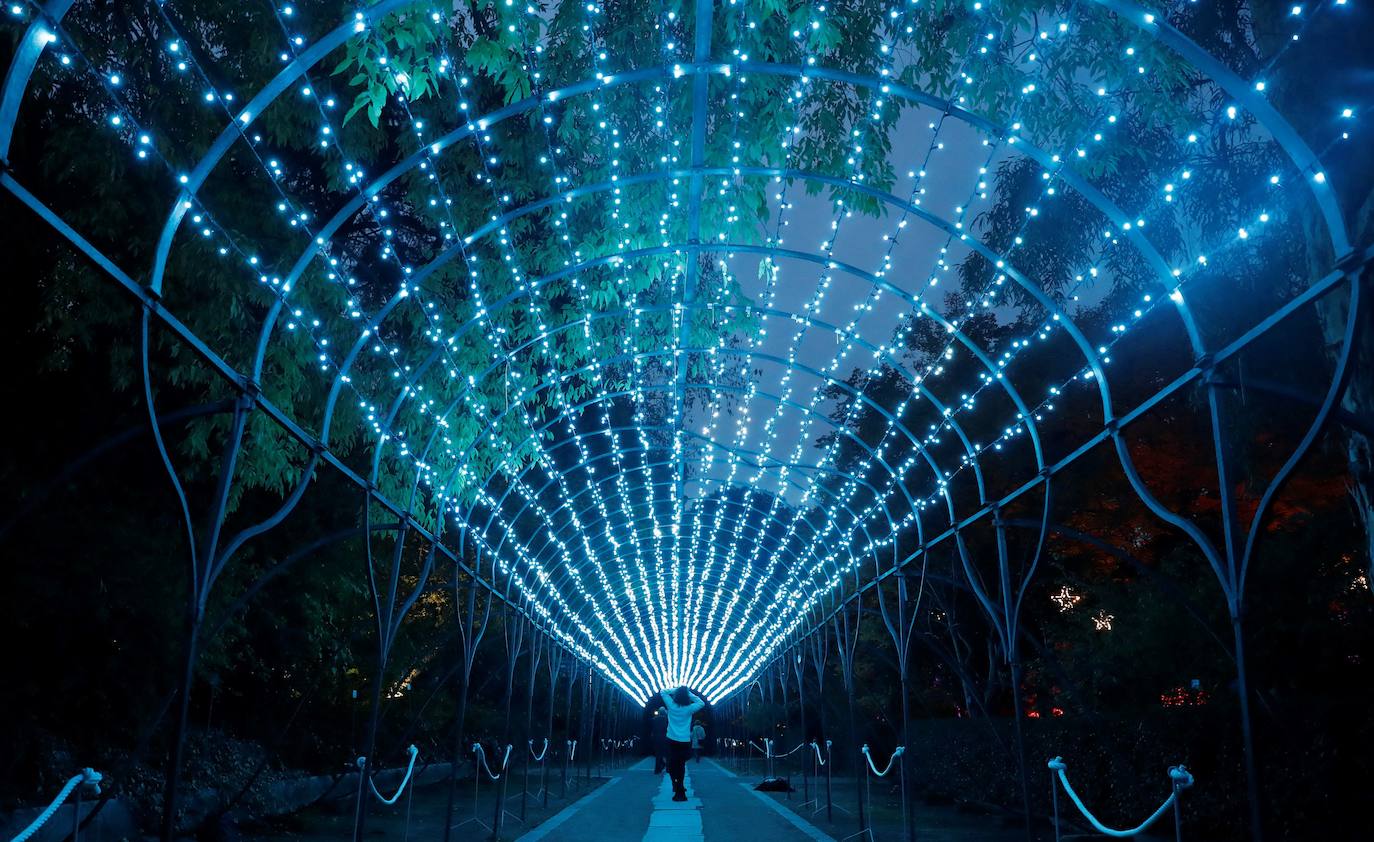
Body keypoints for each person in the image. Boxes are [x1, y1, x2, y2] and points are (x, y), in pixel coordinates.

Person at [660, 686, 706, 801]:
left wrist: (676, 690)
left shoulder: (671, 705)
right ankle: (680, 791)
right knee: (680, 766)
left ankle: (676, 786)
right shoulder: (689, 708)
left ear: (676, 696)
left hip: (671, 739)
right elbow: (701, 703)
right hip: (684, 741)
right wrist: (688, 693)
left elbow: (663, 692)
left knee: (671, 765)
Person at [651, 707, 669, 775]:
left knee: (658, 754)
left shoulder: (655, 719)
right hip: (665, 738)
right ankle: (667, 768)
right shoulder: (667, 719)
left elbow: (653, 729)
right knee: (667, 754)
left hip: (657, 738)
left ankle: (657, 769)